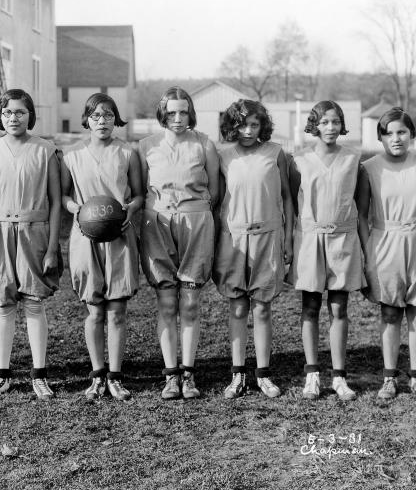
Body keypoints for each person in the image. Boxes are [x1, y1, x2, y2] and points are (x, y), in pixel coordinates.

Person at [0, 89, 62, 400]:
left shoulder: (45, 151)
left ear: (30, 115)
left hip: (33, 230)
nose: (13, 118)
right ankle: (2, 374)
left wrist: (52, 247)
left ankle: (39, 375)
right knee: (4, 303)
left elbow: (55, 203)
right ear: (0, 115)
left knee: (34, 302)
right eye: (8, 112)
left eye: (20, 112)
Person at [357, 107, 416, 400]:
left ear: (412, 135)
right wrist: (371, 252)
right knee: (390, 311)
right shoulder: (369, 168)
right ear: (380, 137)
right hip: (386, 242)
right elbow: (362, 215)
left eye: (401, 132)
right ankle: (389, 378)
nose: (396, 138)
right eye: (389, 133)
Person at [139, 86, 219, 400]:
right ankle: (171, 375)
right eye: (171, 112)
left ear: (190, 113)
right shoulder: (146, 146)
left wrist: (195, 213)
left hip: (195, 220)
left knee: (190, 302)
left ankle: (189, 374)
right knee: (167, 302)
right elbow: (138, 189)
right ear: (162, 113)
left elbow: (216, 190)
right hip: (157, 223)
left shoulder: (204, 144)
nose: (177, 118)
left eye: (183, 112)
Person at [61, 93, 143, 401]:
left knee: (117, 312)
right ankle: (97, 375)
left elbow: (139, 195)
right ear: (86, 119)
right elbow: (64, 196)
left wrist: (130, 210)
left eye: (108, 116)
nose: (102, 121)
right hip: (86, 235)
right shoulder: (71, 155)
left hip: (119, 236)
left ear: (116, 119)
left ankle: (116, 377)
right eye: (96, 116)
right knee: (94, 311)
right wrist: (77, 210)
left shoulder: (127, 152)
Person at [213, 100, 293, 399]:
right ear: (232, 125)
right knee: (237, 306)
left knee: (261, 308)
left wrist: (288, 238)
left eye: (254, 125)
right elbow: (217, 200)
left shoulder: (275, 153)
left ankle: (263, 374)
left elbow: (287, 198)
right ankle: (237, 375)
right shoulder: (223, 156)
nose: (247, 130)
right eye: (241, 124)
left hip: (267, 236)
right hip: (233, 238)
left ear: (263, 126)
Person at [288, 100, 362, 401]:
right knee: (310, 307)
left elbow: (359, 200)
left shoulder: (353, 159)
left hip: (342, 240)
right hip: (310, 240)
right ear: (314, 125)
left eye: (335, 122)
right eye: (324, 122)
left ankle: (339, 376)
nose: (330, 128)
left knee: (339, 308)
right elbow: (293, 200)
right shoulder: (299, 159)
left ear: (341, 124)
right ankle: (312, 374)